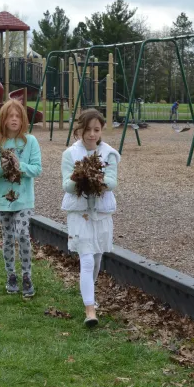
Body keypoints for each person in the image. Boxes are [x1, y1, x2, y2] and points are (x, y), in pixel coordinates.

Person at [61, 109, 120, 328]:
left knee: (96, 259)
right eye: (87, 129)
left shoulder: (109, 154)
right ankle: (90, 309)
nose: (92, 134)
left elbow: (112, 181)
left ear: (101, 130)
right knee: (86, 258)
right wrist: (79, 178)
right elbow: (66, 185)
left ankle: (90, 293)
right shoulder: (70, 154)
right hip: (79, 213)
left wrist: (99, 179)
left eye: (96, 130)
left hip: (101, 213)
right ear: (79, 130)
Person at [0, 99, 42, 298]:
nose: (14, 120)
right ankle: (11, 276)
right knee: (7, 238)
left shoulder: (30, 141)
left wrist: (19, 166)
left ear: (23, 119)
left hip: (24, 199)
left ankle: (27, 275)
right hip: (4, 200)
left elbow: (37, 169)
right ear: (3, 119)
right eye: (10, 116)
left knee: (23, 234)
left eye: (17, 116)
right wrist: (1, 168)